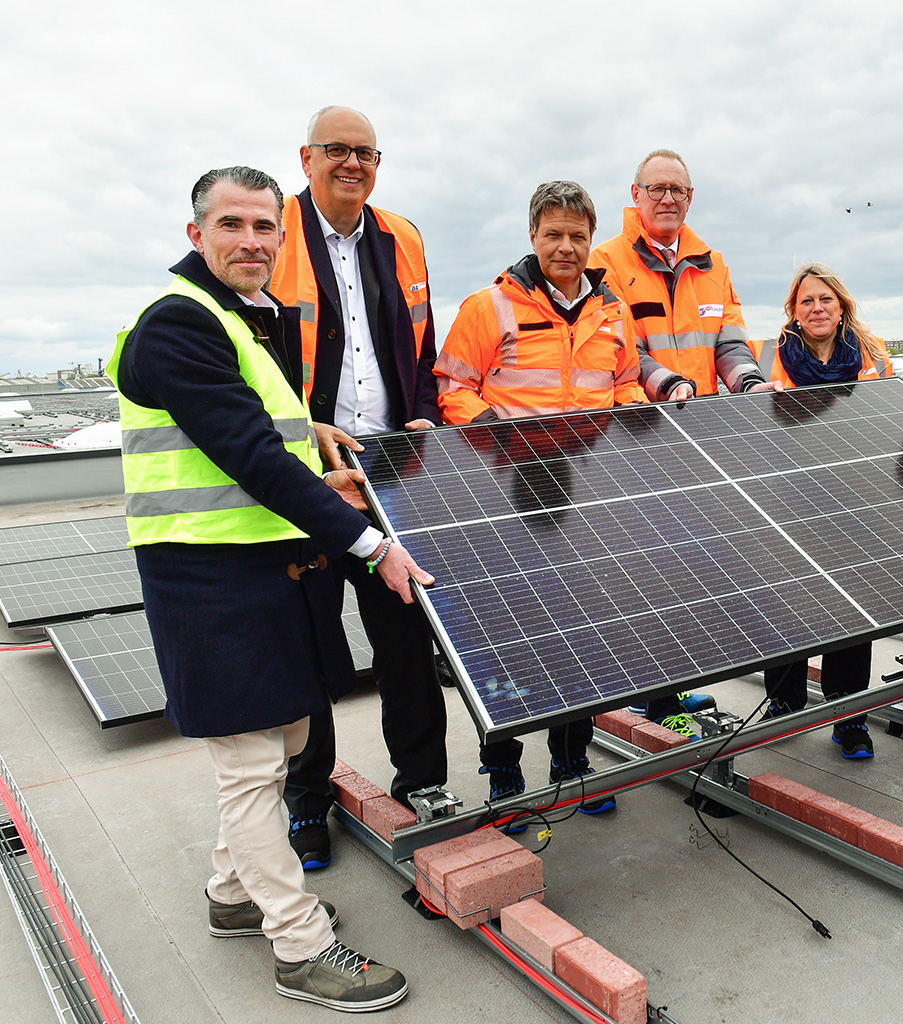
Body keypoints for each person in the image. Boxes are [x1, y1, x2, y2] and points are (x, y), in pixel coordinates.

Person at [109, 166, 429, 1010]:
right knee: (252, 765)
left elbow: (267, 432)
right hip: (209, 574)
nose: (251, 242)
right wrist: (370, 545)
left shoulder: (237, 323)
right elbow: (246, 456)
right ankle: (300, 947)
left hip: (259, 568)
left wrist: (310, 427)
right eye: (233, 226)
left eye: (264, 228)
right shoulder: (177, 326)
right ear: (197, 236)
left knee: (283, 737)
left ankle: (232, 895)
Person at [268, 105, 448, 872]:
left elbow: (423, 337)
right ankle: (308, 799)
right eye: (337, 151)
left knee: (406, 633)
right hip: (304, 472)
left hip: (387, 470)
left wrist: (421, 413)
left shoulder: (400, 235)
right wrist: (305, 442)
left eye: (366, 152)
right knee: (306, 645)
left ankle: (425, 783)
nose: (353, 163)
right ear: (306, 158)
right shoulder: (271, 233)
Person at [434, 180, 643, 816]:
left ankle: (573, 761)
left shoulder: (612, 311)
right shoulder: (487, 307)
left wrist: (639, 450)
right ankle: (502, 767)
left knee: (583, 631)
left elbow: (626, 384)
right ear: (533, 237)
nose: (566, 247)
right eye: (553, 234)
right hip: (508, 493)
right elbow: (452, 388)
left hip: (588, 495)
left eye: (578, 236)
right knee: (507, 633)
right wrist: (500, 433)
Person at [589, 148, 781, 736]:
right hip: (638, 434)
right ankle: (647, 693)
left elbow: (729, 339)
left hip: (699, 436)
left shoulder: (712, 262)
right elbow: (623, 345)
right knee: (644, 568)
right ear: (636, 193)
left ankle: (667, 689)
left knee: (688, 567)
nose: (668, 198)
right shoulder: (608, 261)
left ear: (690, 198)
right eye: (657, 189)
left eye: (678, 189)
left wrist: (748, 379)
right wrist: (666, 384)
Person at [754, 263, 892, 758]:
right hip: (789, 496)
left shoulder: (871, 355)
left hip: (855, 497)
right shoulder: (767, 355)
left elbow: (887, 423)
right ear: (793, 308)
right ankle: (784, 703)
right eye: (807, 301)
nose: (817, 309)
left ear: (841, 306)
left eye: (825, 300)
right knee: (787, 601)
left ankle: (848, 714)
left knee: (852, 606)